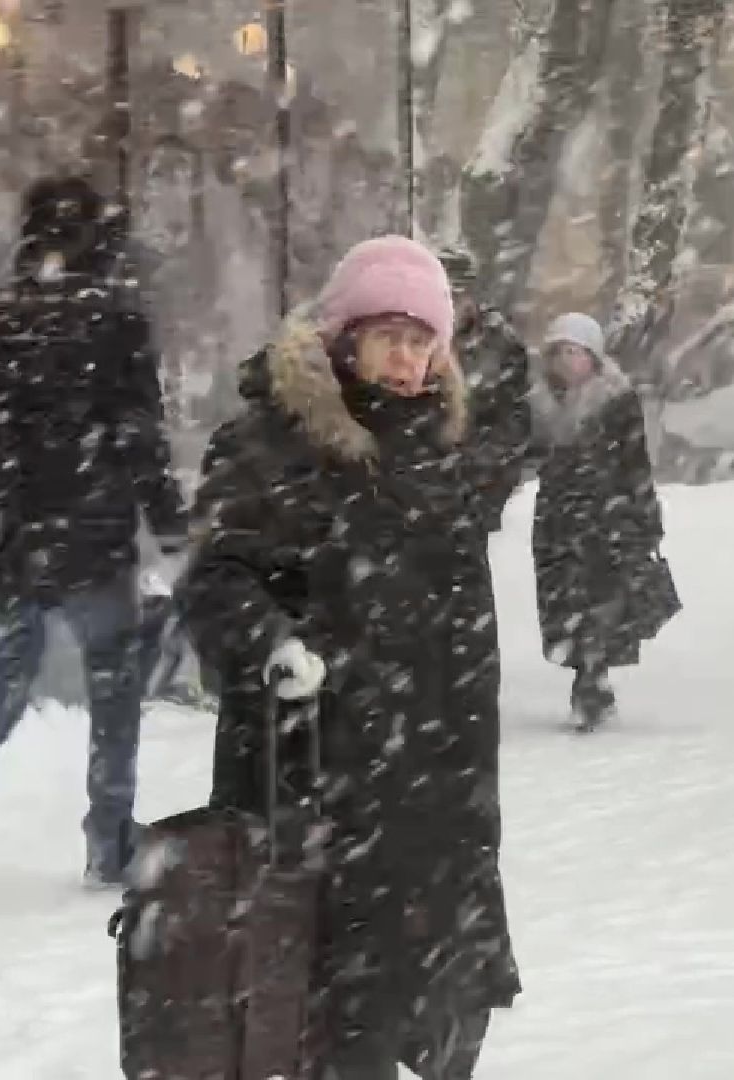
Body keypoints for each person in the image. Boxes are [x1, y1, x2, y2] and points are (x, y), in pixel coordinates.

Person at [175, 235, 519, 1078]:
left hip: (433, 799)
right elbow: (214, 580)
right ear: (345, 337)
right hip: (312, 785)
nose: (407, 359)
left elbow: (457, 635)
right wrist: (274, 646)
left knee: (437, 1028)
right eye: (390, 336)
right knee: (316, 1028)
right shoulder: (272, 447)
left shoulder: (444, 455)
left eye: (422, 339)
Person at [0, 176, 186, 903]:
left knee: (1, 693)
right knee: (115, 694)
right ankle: (110, 840)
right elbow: (140, 436)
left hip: (8, 543)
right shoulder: (117, 324)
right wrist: (170, 521)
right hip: (94, 536)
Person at [530, 312, 678, 732]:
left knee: (599, 604)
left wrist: (646, 515)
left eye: (573, 352)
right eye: (558, 352)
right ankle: (588, 676)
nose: (565, 361)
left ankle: (590, 682)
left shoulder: (617, 399)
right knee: (563, 603)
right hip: (557, 519)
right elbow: (525, 454)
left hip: (605, 517)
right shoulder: (538, 404)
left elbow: (635, 463)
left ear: (593, 356)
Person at [440, 244, 532, 531]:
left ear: (471, 296)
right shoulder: (414, 338)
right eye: (442, 295)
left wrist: (479, 470)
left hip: (476, 485)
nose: (451, 304)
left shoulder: (500, 343)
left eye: (457, 294)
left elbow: (514, 420)